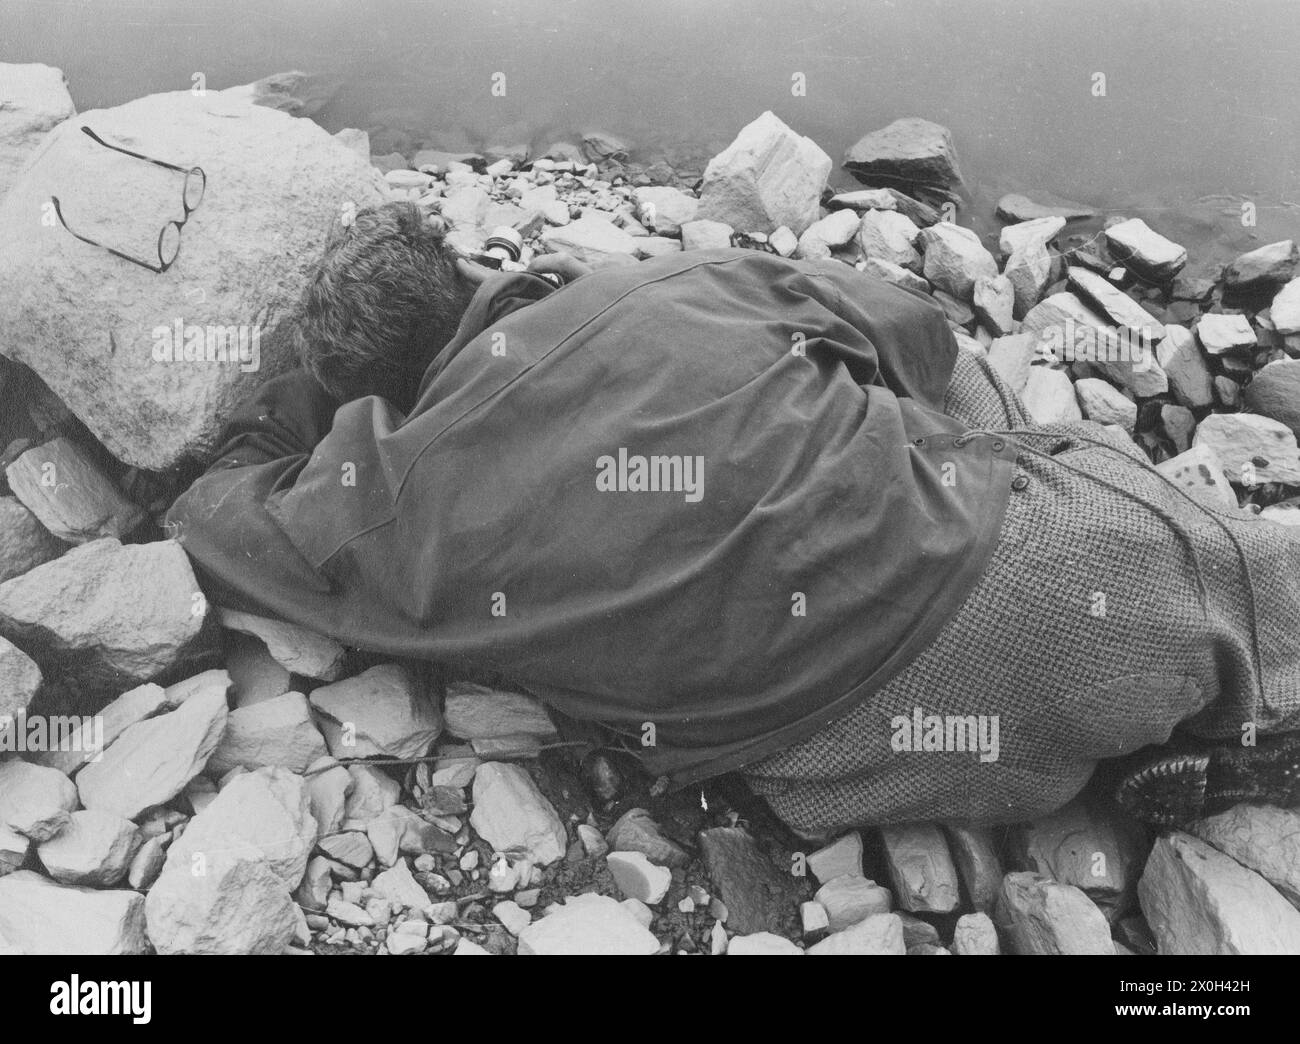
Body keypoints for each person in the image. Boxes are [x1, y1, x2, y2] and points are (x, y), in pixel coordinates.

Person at [167, 202, 1300, 838]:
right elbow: (918, 334)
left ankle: (1116, 771)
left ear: (375, 395)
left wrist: (305, 407)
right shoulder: (659, 287)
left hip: (871, 765)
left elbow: (207, 511)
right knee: (1172, 547)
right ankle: (1235, 722)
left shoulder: (374, 513)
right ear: (472, 272)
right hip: (1059, 584)